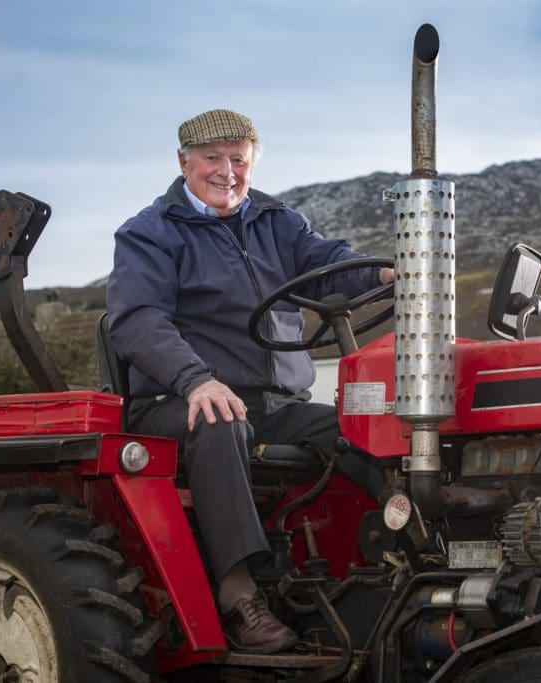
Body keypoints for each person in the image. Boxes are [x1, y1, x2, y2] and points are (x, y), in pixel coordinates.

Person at [106, 109, 394, 653]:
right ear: (184, 162)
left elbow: (327, 261)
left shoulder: (276, 220)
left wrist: (381, 273)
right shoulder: (151, 233)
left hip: (277, 402)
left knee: (363, 421)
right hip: (179, 400)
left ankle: (406, 547)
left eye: (238, 159)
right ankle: (238, 596)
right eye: (213, 159)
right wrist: (196, 380)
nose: (227, 171)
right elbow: (137, 319)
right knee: (220, 419)